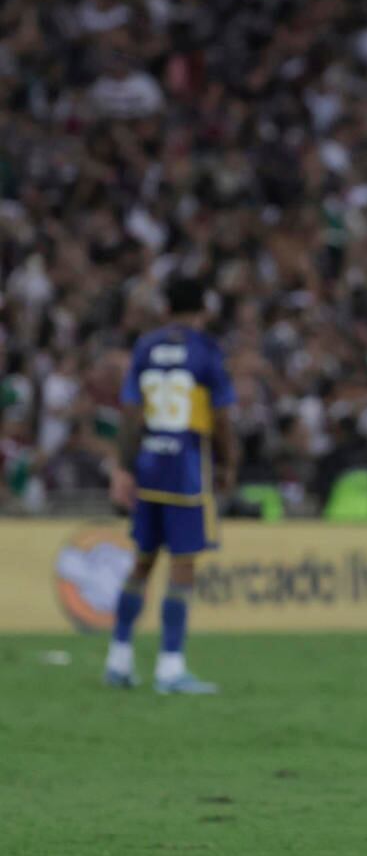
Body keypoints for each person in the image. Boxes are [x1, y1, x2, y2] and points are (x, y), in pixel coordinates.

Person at [106, 275, 236, 694]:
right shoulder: (205, 351)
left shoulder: (144, 347)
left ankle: (119, 660)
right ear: (203, 311)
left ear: (166, 310)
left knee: (142, 563)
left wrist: (126, 467)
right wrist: (228, 461)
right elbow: (221, 417)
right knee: (182, 568)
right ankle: (170, 667)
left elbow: (129, 411)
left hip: (149, 466)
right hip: (186, 471)